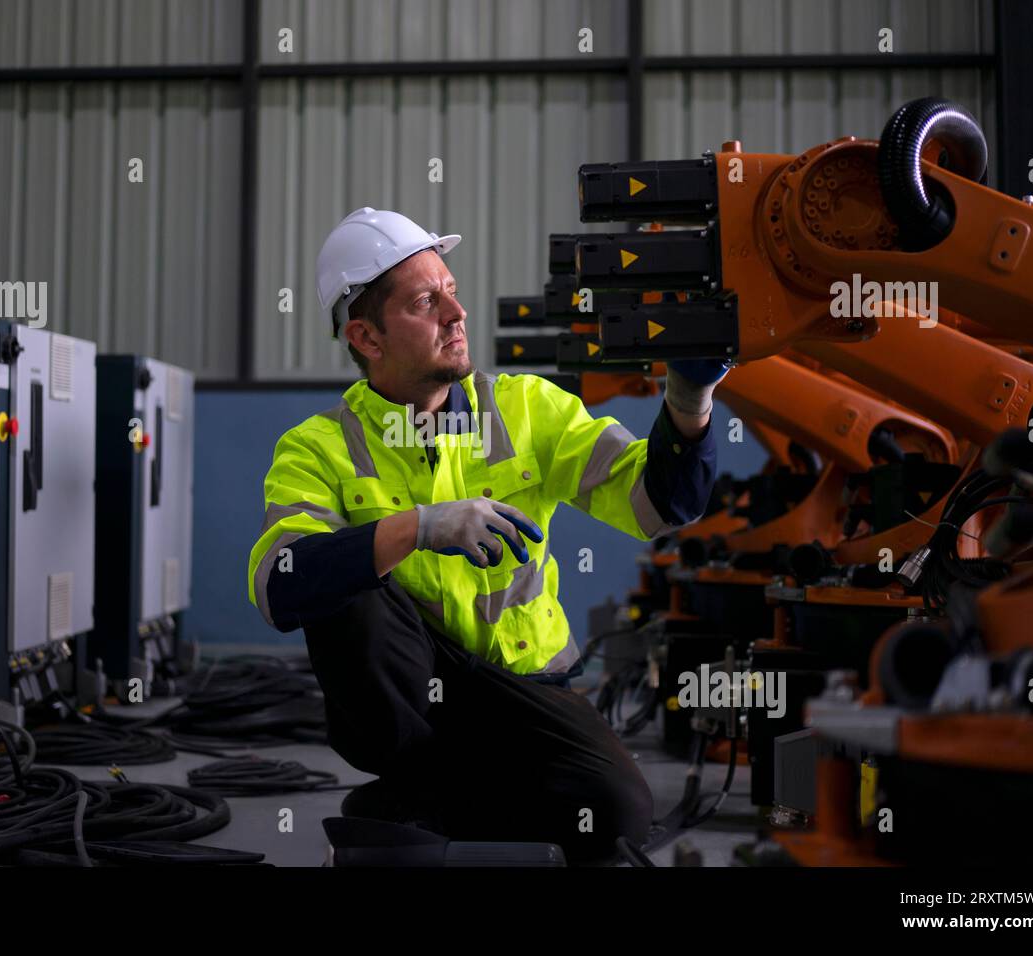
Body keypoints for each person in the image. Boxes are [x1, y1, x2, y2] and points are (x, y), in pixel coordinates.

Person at [247, 207, 729, 864]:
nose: (456, 312)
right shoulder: (319, 448)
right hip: (413, 702)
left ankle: (412, 811)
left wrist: (688, 403)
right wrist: (417, 529)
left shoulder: (529, 409)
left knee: (616, 815)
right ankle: (424, 789)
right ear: (366, 335)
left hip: (526, 689)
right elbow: (282, 585)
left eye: (450, 288)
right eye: (426, 301)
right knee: (341, 579)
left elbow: (662, 505)